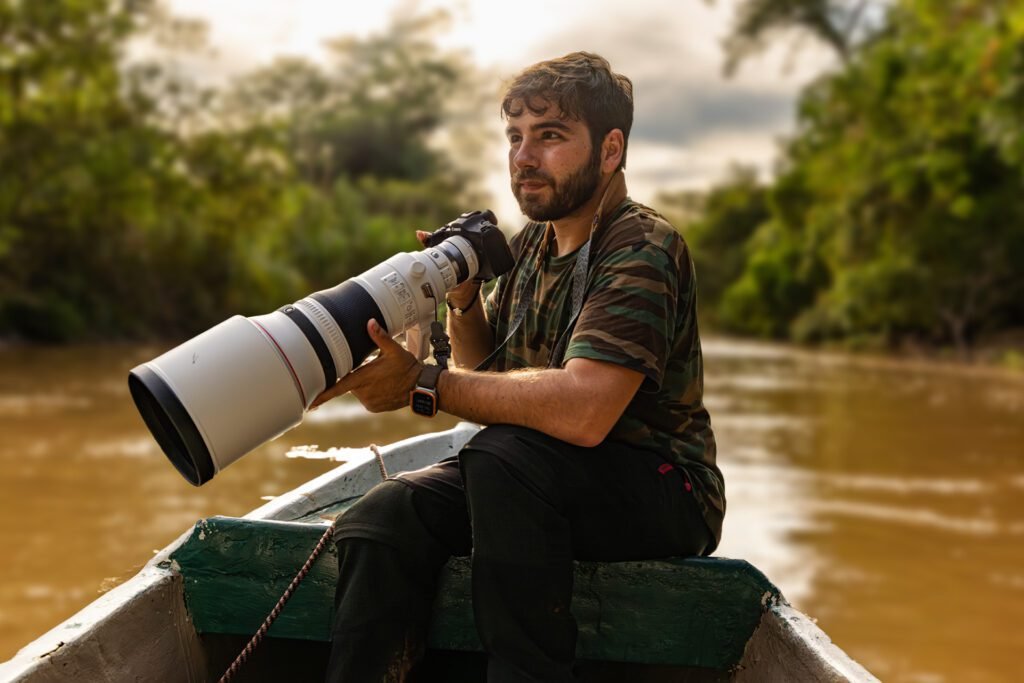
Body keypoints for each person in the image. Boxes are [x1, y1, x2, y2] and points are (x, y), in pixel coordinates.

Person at [314, 51, 725, 683]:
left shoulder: (642, 246)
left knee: (501, 457)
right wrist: (461, 295)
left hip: (665, 486)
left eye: (550, 136)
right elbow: (492, 374)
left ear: (610, 150)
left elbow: (585, 413)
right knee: (384, 515)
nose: (524, 157)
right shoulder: (534, 242)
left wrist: (423, 384)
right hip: (538, 477)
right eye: (515, 137)